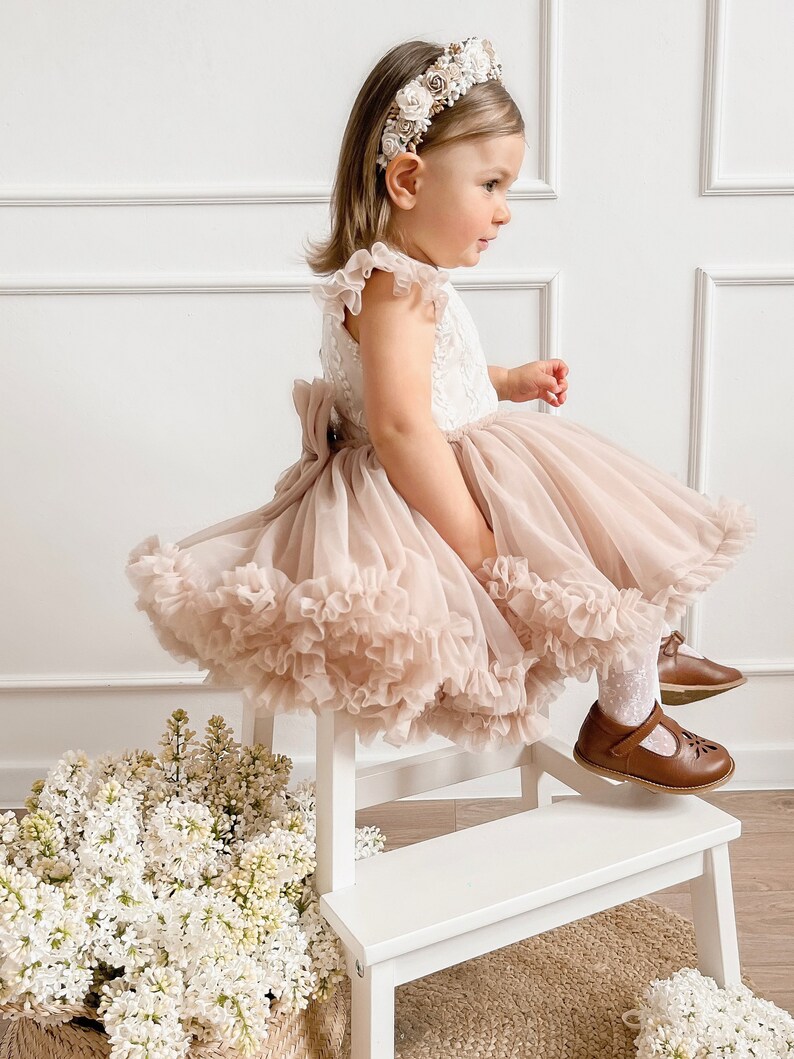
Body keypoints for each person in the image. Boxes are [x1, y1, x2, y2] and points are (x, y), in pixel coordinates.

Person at [125, 36, 757, 796]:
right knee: (577, 537)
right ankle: (625, 715)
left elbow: (424, 385)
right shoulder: (394, 286)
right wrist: (478, 545)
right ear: (407, 179)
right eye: (491, 184)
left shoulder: (400, 277)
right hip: (421, 490)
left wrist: (506, 379)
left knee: (597, 522)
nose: (505, 212)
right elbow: (400, 427)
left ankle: (642, 653)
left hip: (458, 452)